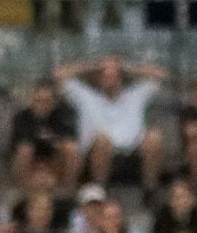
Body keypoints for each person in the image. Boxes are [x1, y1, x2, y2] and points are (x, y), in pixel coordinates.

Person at [56, 56, 167, 191]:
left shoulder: (135, 94)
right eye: (105, 75)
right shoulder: (85, 96)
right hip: (97, 153)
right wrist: (96, 65)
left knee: (154, 137)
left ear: (121, 77)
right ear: (98, 78)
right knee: (102, 140)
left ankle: (150, 189)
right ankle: (100, 189)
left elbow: (161, 75)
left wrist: (124, 65)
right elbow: (59, 74)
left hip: (132, 153)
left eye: (114, 75)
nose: (109, 79)